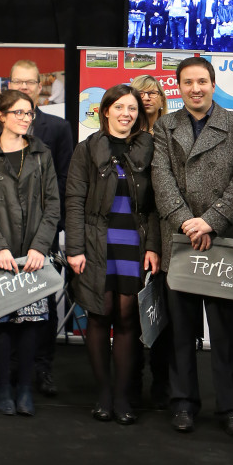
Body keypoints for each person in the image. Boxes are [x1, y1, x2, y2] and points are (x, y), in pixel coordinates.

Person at [150, 56, 233, 440]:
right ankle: (183, 403)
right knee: (180, 329)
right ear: (178, 87)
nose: (195, 88)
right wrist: (186, 221)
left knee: (225, 330)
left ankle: (231, 409)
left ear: (213, 84)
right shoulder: (166, 125)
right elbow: (159, 176)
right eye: (187, 82)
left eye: (202, 81)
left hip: (223, 239)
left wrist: (211, 221)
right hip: (179, 239)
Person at [66, 84, 159, 424]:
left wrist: (153, 247)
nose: (126, 114)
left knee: (127, 319)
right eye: (119, 107)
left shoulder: (150, 148)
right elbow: (74, 201)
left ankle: (122, 397)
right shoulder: (85, 149)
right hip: (95, 241)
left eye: (132, 108)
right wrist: (74, 248)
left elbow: (155, 205)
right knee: (99, 314)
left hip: (133, 242)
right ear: (105, 111)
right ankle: (103, 394)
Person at [0, 60, 75, 397]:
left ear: (40, 86)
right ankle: (9, 372)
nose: (23, 88)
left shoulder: (58, 127)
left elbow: (64, 182)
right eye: (17, 82)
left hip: (42, 235)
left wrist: (48, 234)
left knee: (42, 306)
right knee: (6, 306)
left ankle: (41, 368)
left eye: (29, 83)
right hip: (3, 236)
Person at [0, 89, 61, 416]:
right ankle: (5, 387)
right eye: (18, 112)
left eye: (29, 113)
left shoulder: (41, 154)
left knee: (30, 323)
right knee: (4, 322)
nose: (25, 118)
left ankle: (24, 388)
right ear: (2, 116)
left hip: (32, 255)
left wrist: (40, 247)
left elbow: (53, 206)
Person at [128, 74, 172, 409]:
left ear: (161, 97)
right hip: (129, 231)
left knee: (161, 312)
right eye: (139, 93)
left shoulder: (172, 130)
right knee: (130, 312)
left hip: (167, 231)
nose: (147, 97)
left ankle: (162, 381)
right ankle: (131, 378)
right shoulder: (124, 133)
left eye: (152, 92)